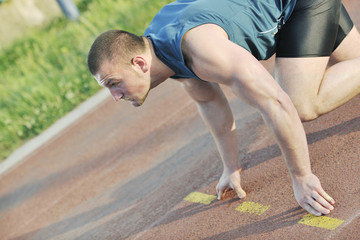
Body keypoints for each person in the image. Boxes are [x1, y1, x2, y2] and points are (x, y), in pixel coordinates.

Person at [87, 0, 360, 216]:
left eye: (114, 83)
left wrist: (302, 177)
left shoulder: (203, 51)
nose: (115, 96)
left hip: (299, 6)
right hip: (284, 11)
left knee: (299, 104)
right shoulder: (162, 50)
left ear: (139, 64)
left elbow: (276, 103)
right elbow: (209, 101)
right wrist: (231, 167)